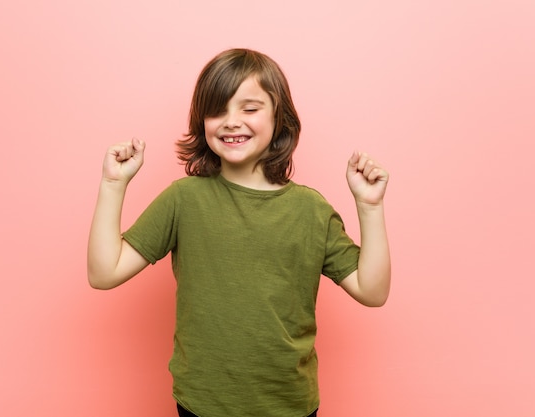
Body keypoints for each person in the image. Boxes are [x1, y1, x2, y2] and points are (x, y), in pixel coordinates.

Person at [87, 48, 391, 417]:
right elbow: (104, 273)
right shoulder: (184, 199)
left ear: (280, 118)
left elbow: (372, 292)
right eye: (217, 110)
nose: (232, 121)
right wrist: (112, 184)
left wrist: (370, 208)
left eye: (249, 109)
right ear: (202, 121)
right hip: (202, 404)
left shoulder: (312, 210)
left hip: (290, 405)